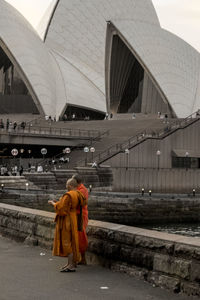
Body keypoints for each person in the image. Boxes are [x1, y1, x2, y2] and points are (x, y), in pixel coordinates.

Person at [48, 178, 86, 272]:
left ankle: (71, 265)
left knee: (67, 242)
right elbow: (82, 204)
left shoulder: (68, 195)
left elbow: (61, 209)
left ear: (70, 185)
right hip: (74, 218)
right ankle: (70, 263)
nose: (66, 186)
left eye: (66, 184)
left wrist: (53, 203)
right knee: (73, 241)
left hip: (67, 220)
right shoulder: (79, 194)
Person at [72, 174, 89, 265]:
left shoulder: (82, 190)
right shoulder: (81, 189)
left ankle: (80, 258)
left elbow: (77, 203)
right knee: (79, 236)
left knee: (80, 237)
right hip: (79, 215)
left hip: (80, 216)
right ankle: (81, 259)